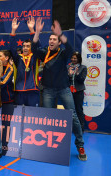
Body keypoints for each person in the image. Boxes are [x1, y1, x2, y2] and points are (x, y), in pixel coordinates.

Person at [32, 18, 87, 161]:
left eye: (54, 39)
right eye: (50, 38)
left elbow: (70, 48)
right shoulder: (44, 52)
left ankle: (80, 145)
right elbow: (34, 49)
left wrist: (60, 33)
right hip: (48, 90)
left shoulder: (63, 54)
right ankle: (48, 146)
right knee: (48, 118)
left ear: (58, 42)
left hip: (63, 89)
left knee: (73, 117)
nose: (51, 41)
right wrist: (37, 32)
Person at [10, 17, 40, 107]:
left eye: (28, 46)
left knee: (32, 115)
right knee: (19, 115)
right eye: (24, 46)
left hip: (32, 89)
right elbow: (12, 48)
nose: (25, 48)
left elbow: (37, 46)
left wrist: (32, 30)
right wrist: (13, 31)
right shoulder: (18, 58)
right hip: (19, 90)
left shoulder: (35, 57)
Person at [67, 52, 87, 132]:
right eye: (72, 58)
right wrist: (69, 74)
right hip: (68, 91)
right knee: (69, 109)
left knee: (78, 109)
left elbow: (82, 80)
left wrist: (76, 73)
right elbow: (65, 79)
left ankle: (81, 128)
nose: (73, 60)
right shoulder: (68, 67)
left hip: (78, 91)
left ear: (79, 59)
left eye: (75, 58)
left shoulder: (83, 67)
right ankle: (69, 128)